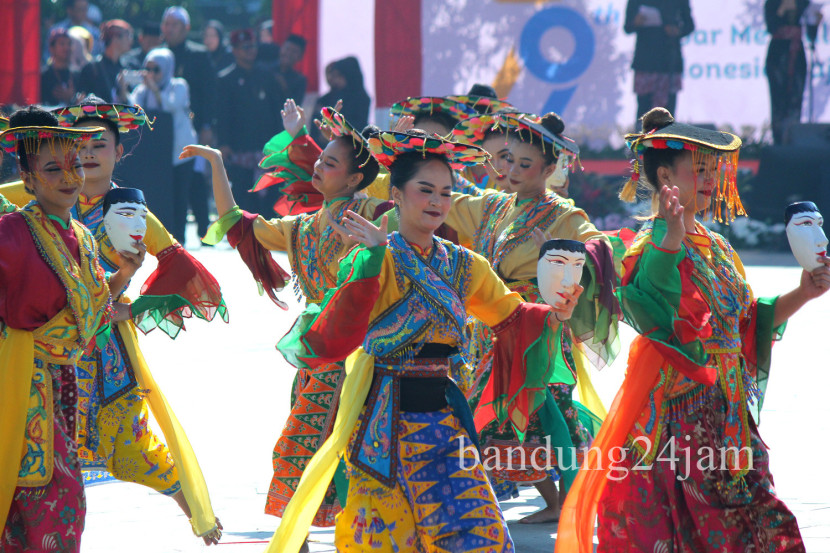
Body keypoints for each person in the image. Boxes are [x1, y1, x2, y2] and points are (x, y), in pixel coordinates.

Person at [266, 128, 583, 553]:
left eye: (446, 193)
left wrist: (554, 313)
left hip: (444, 421)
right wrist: (373, 257)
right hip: (382, 426)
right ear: (396, 194)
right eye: (425, 190)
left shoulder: (463, 264)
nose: (437, 202)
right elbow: (338, 333)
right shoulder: (371, 257)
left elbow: (510, 315)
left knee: (482, 536)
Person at [557, 107, 830, 553]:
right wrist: (670, 234)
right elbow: (651, 309)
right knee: (698, 531)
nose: (710, 178)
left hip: (729, 413)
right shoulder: (648, 244)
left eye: (713, 169)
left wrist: (803, 293)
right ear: (665, 174)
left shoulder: (717, 244)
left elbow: (745, 324)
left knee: (761, 521)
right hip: (679, 420)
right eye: (699, 169)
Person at [0, 99, 227, 545]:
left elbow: (183, 275)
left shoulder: (119, 216)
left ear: (119, 152)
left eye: (93, 149)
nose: (76, 169)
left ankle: (195, 510)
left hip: (95, 357)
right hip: (27, 374)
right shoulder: (18, 219)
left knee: (124, 450)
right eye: (57, 166)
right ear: (29, 178)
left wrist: (131, 296)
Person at [193, 101, 386, 538]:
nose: (317, 164)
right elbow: (235, 222)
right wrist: (217, 164)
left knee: (340, 456)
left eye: (330, 162)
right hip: (317, 357)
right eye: (320, 158)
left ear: (355, 179)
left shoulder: (378, 217)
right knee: (307, 456)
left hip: (366, 360)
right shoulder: (301, 228)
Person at [445, 112, 619, 523]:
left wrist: (561, 257)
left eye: (525, 165)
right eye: (508, 160)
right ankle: (556, 499)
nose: (512, 170)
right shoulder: (492, 206)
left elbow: (603, 246)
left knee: (539, 403)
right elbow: (436, 202)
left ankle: (567, 496)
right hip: (490, 324)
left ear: (549, 169)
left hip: (539, 324)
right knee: (513, 408)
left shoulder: (563, 215)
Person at [0, 106, 138, 552]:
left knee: (57, 503)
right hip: (17, 384)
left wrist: (125, 277)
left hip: (61, 387)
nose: (69, 177)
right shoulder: (11, 234)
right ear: (28, 176)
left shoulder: (81, 235)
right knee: (49, 501)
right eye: (53, 168)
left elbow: (93, 315)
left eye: (74, 165)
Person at [129, 48, 203, 242]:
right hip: (157, 154)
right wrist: (122, 89)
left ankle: (180, 239)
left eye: (156, 69)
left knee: (179, 196)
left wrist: (154, 89)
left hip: (181, 151)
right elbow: (132, 109)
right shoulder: (143, 90)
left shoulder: (178, 85)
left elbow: (171, 106)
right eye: (148, 69)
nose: (151, 74)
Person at [216, 29, 285, 214]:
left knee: (269, 204)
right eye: (245, 47)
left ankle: (268, 242)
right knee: (244, 203)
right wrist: (223, 143)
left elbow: (277, 111)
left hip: (265, 149)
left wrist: (281, 143)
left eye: (253, 46)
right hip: (240, 151)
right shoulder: (225, 79)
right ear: (235, 50)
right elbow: (221, 115)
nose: (250, 51)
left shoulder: (267, 76)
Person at [624, 0, 694, 124]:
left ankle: (666, 142)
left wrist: (677, 31)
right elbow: (627, 26)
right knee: (644, 111)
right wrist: (635, 22)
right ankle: (643, 142)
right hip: (645, 61)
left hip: (669, 61)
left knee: (667, 113)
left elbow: (689, 25)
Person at [161, 6, 216, 144]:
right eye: (167, 24)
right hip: (162, 122)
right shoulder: (158, 54)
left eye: (174, 24)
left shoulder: (199, 55)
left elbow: (209, 93)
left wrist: (207, 126)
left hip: (192, 124)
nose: (169, 29)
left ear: (186, 27)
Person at [765, 0, 815, 144]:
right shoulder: (772, 2)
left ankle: (793, 141)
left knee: (796, 99)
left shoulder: (802, 2)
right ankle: (778, 141)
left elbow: (810, 23)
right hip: (778, 55)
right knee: (778, 101)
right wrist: (781, 9)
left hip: (797, 52)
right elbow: (770, 26)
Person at [311, 57, 371, 143]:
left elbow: (358, 127)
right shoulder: (327, 99)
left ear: (349, 75)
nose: (335, 80)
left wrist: (335, 131)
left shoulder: (362, 99)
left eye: (339, 76)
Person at [77, 19, 133, 103]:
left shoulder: (126, 68)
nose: (130, 41)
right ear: (115, 38)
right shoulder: (92, 68)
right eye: (128, 36)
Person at [41, 28, 80, 106]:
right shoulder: (44, 76)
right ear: (52, 48)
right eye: (62, 44)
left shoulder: (77, 75)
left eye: (69, 44)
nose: (66, 48)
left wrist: (72, 97)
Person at [275, 34, 308, 104]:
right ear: (281, 48)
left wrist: (284, 87)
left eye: (294, 51)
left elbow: (296, 105)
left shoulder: (300, 81)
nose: (289, 53)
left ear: (300, 57)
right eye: (287, 49)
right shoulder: (264, 70)